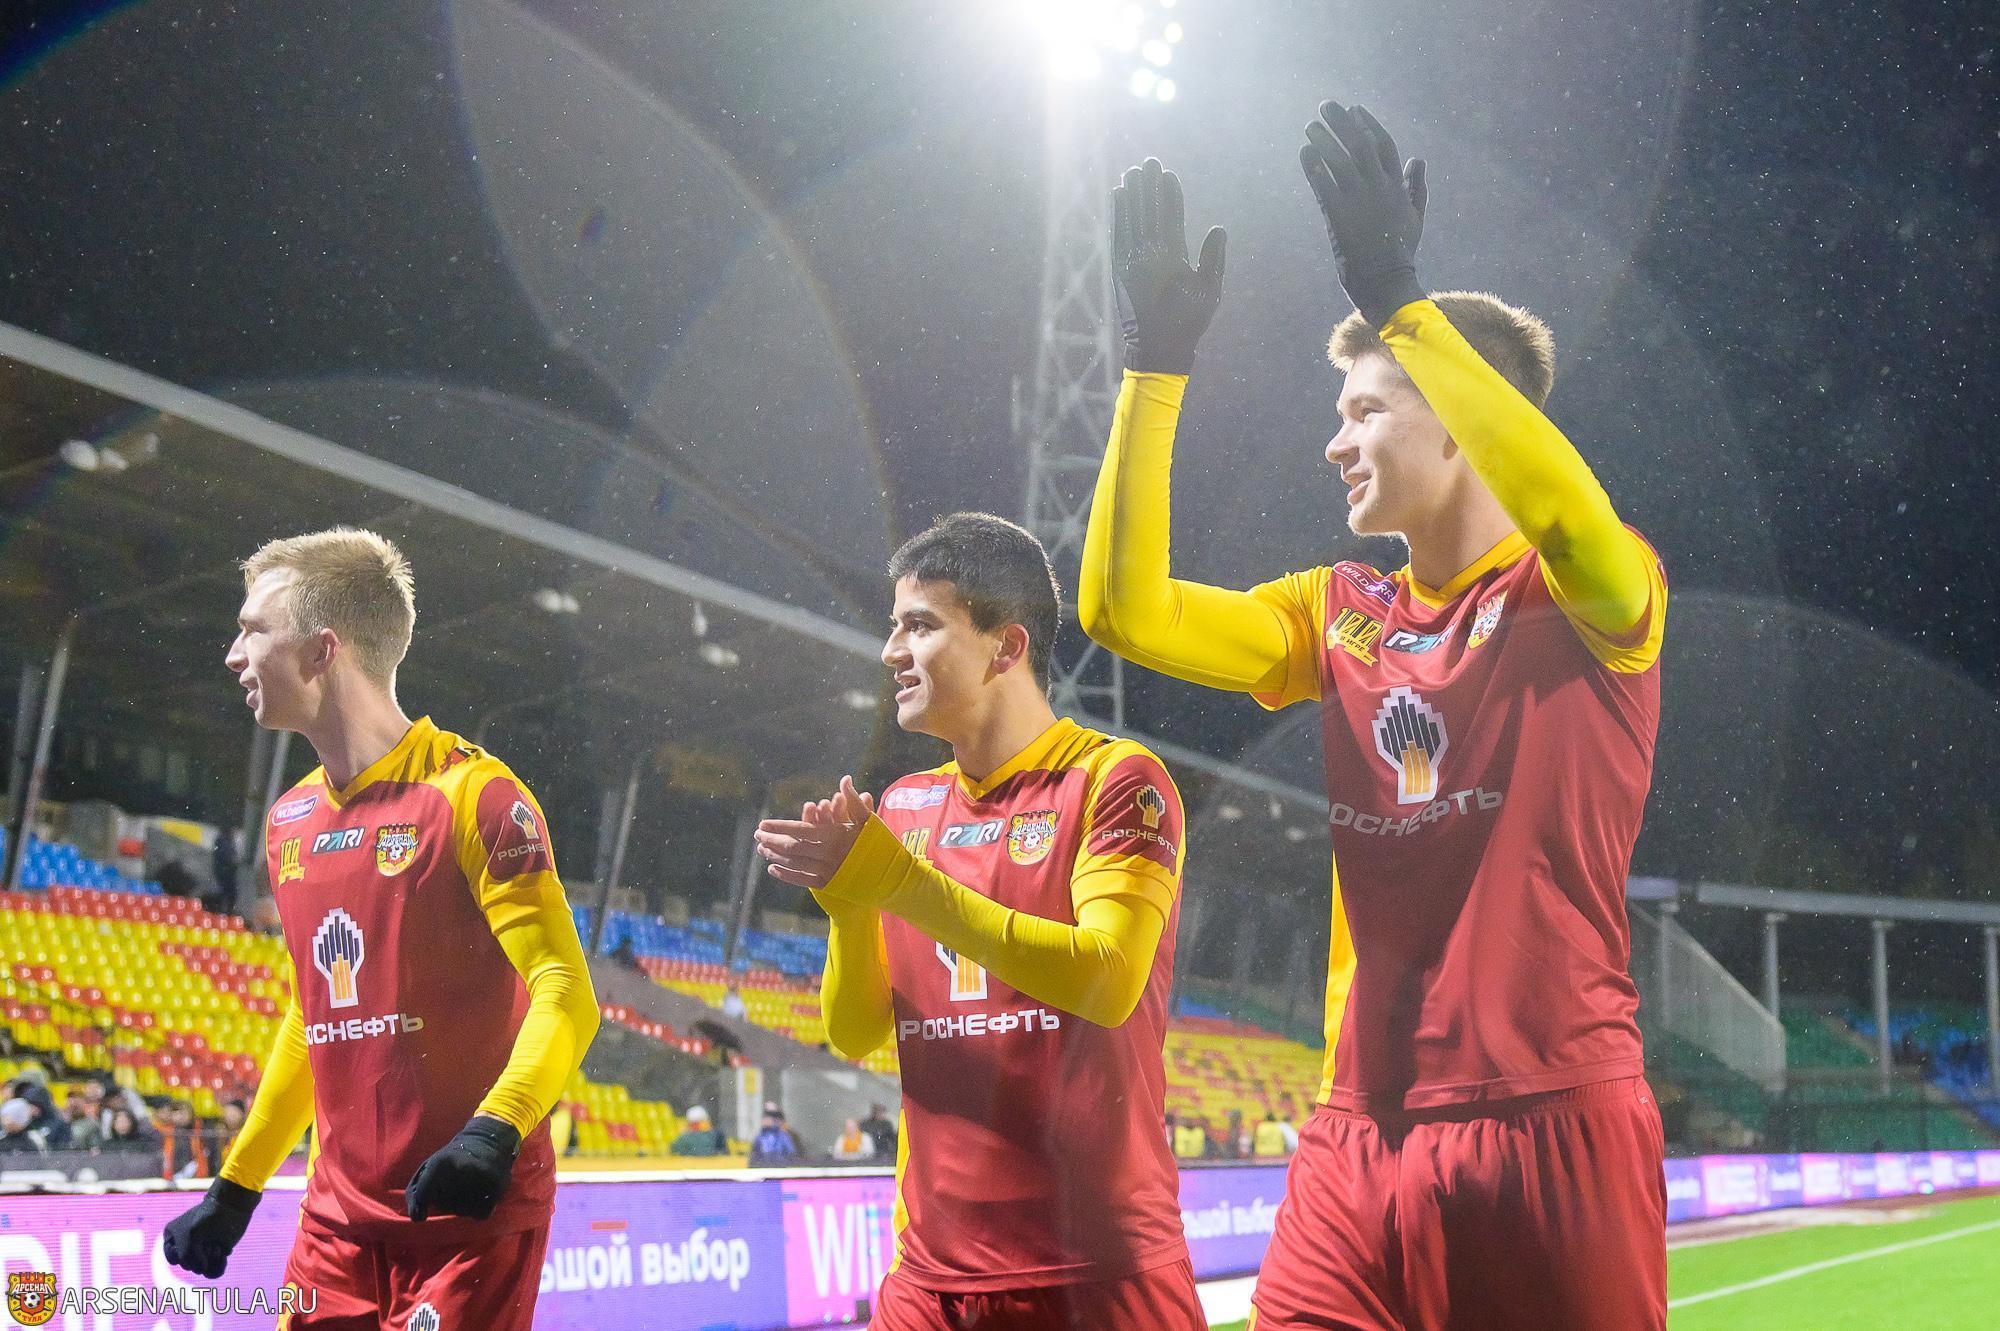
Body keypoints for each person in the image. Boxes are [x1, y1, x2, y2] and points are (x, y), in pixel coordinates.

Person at [1082, 105, 1668, 1330]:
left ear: (1458, 421)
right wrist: (1151, 370)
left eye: (1364, 410)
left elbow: (1566, 516)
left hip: (1545, 1122)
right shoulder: (1336, 610)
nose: (1333, 442)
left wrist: (1402, 301)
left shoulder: (1590, 591)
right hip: (1352, 1140)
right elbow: (1124, 611)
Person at [755, 513, 1204, 1330]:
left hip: (1094, 1275)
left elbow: (1107, 980)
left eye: (920, 625)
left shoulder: (1114, 780)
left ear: (1006, 647)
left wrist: (898, 883)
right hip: (928, 1280)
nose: (892, 651)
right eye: (894, 626)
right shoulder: (905, 806)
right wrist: (851, 910)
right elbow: (854, 1030)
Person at [161, 527, 600, 1331]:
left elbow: (567, 990)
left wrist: (494, 1132)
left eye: (253, 630)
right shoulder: (289, 821)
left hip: (466, 1218)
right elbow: (316, 1016)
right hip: (334, 1227)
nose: (233, 654)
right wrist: (236, 1187)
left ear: (322, 650)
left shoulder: (477, 796)